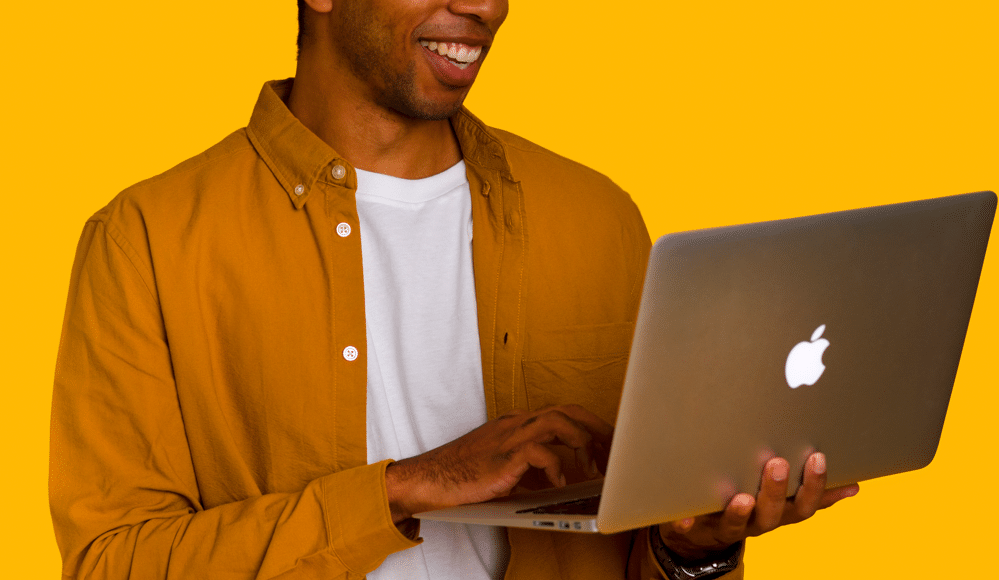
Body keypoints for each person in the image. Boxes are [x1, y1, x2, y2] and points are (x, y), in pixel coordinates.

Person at [49, 1, 858, 578]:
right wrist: (403, 488)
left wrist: (697, 549)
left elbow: (638, 556)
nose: (486, 6)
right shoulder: (146, 239)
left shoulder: (599, 219)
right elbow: (114, 563)